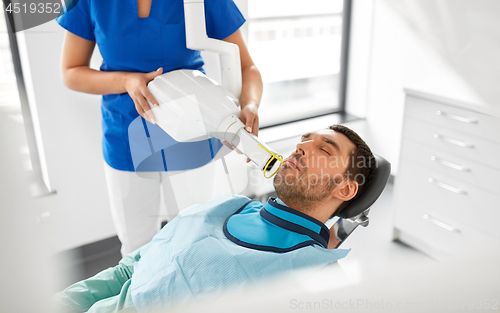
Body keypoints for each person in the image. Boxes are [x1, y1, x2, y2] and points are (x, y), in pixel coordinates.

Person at [52, 124, 376, 313]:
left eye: (325, 149)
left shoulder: (316, 278)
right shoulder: (225, 207)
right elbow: (129, 269)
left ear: (346, 189)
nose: (301, 146)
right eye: (305, 138)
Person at [56, 0, 263, 256]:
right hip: (125, 136)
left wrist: (249, 105)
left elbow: (246, 66)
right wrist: (127, 81)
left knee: (194, 244)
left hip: (193, 133)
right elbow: (71, 72)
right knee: (136, 249)